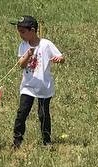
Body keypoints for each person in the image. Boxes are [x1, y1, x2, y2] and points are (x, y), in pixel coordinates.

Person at [10, 15, 65, 148]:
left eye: (23, 32)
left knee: (43, 114)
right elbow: (21, 65)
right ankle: (17, 141)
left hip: (43, 87)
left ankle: (46, 141)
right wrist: (28, 54)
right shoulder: (23, 46)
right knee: (22, 113)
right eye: (19, 31)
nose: (20, 35)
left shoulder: (46, 44)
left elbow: (61, 57)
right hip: (28, 86)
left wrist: (59, 60)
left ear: (33, 30)